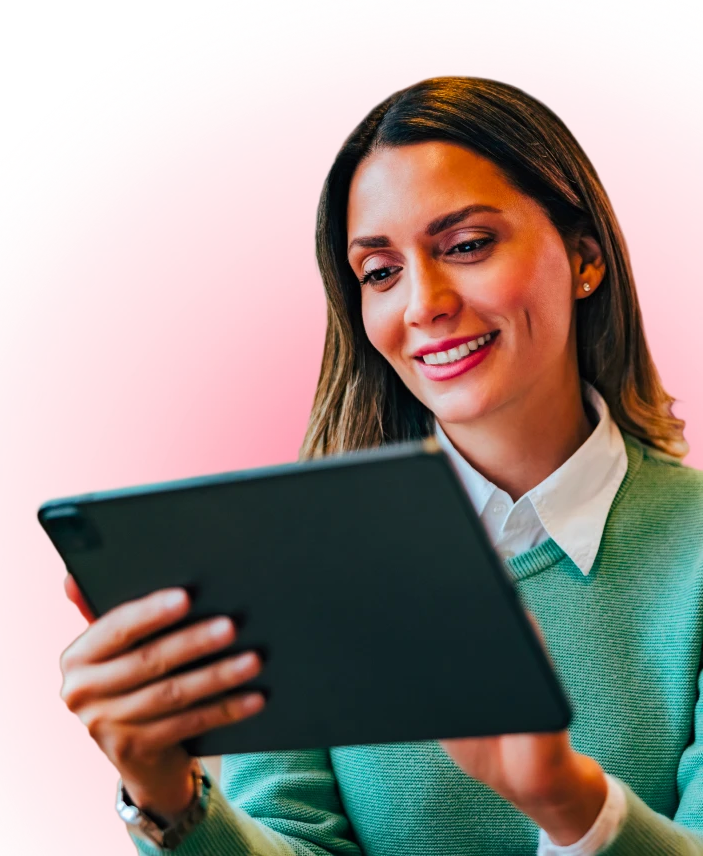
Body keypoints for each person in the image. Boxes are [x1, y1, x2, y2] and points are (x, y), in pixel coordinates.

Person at [58, 76, 703, 855]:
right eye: (380, 272)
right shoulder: (297, 564)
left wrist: (569, 805)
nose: (423, 303)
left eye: (465, 246)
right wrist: (171, 803)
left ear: (584, 257)